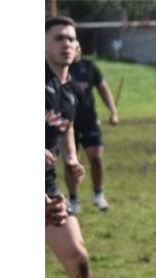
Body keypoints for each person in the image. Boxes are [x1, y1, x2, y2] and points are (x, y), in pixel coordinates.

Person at [45, 17, 135, 278]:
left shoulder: (70, 91)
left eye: (71, 38)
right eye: (57, 38)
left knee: (78, 260)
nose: (66, 44)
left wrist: (70, 157)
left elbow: (63, 126)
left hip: (48, 189)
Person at [65, 44, 119, 214]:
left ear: (79, 49)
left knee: (96, 157)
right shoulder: (58, 68)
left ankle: (98, 194)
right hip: (67, 121)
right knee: (71, 161)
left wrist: (113, 111)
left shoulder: (89, 67)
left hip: (89, 120)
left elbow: (103, 88)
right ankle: (73, 199)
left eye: (75, 46)